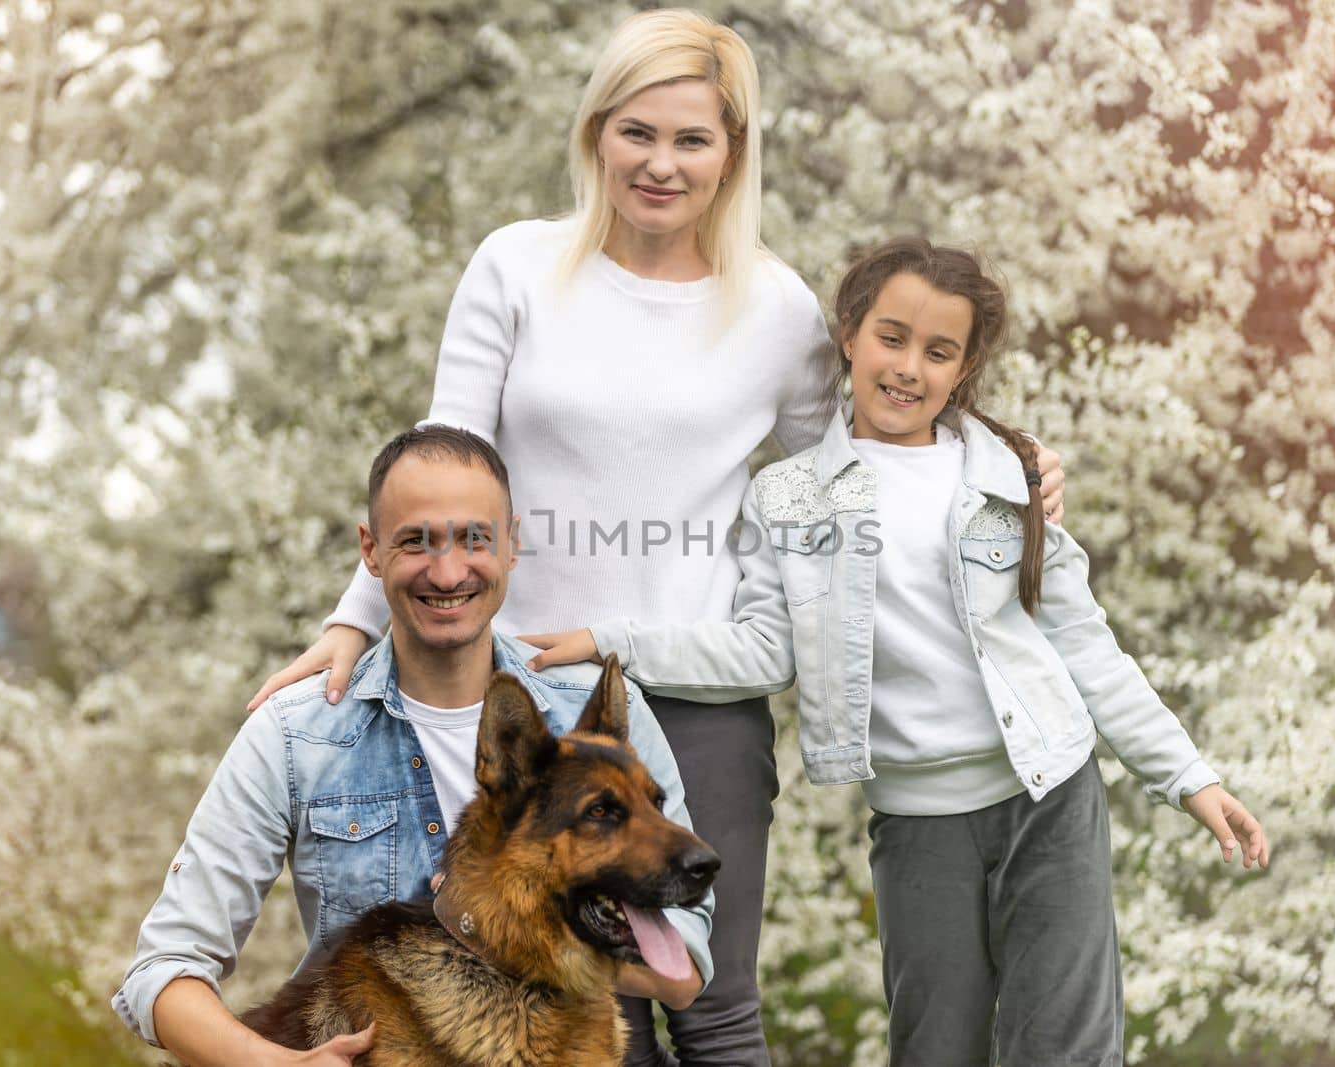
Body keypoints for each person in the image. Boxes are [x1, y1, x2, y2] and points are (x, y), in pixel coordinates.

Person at [246, 11, 1067, 1065]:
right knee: (574, 1010)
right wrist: (351, 624)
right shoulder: (515, 267)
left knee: (712, 1006)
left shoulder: (771, 306)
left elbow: (863, 464)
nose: (661, 164)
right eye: (638, 133)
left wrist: (1001, 463)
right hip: (536, 711)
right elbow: (437, 469)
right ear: (597, 132)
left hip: (700, 702)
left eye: (692, 139)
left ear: (732, 153)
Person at [523, 237, 1271, 1066]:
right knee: (934, 1046)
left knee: (1064, 1046)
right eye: (891, 337)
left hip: (1049, 795)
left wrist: (1188, 778)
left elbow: (1086, 644)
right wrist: (612, 639)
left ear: (965, 365)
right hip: (920, 825)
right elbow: (763, 650)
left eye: (938, 350)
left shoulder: (1005, 475)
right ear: (848, 333)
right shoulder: (789, 494)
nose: (908, 366)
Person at [114, 426, 712, 1066]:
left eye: (474, 539)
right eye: (416, 541)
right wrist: (279, 1065)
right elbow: (161, 971)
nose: (449, 571)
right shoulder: (295, 732)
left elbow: (683, 974)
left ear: (513, 544)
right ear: (370, 552)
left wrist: (494, 922)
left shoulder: (591, 715)